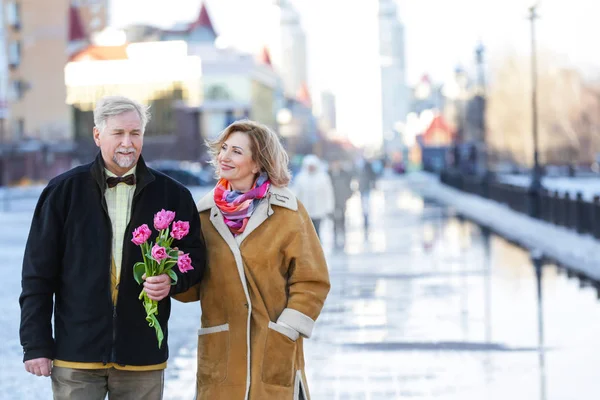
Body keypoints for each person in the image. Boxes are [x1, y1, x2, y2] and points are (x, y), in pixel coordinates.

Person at [19, 95, 206, 400]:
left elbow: (195, 259)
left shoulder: (174, 195)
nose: (127, 143)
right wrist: (35, 344)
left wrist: (172, 280)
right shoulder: (63, 192)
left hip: (143, 355)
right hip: (75, 355)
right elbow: (37, 274)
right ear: (97, 135)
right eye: (118, 133)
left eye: (135, 133)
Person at [173, 120, 330, 400]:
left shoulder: (288, 212)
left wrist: (286, 330)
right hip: (222, 351)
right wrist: (170, 270)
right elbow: (194, 288)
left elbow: (312, 280)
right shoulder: (204, 215)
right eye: (223, 148)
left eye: (236, 151)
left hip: (272, 347)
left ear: (258, 163)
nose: (224, 156)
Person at [292, 154, 335, 239]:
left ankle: (317, 249)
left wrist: (329, 208)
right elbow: (296, 194)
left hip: (319, 211)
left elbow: (328, 193)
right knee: (306, 233)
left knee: (317, 231)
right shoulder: (300, 178)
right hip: (305, 211)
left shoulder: (323, 178)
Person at [328, 159, 354, 248]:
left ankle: (342, 233)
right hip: (332, 199)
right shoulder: (328, 174)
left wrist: (347, 195)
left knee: (342, 217)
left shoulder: (344, 174)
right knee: (334, 218)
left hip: (342, 199)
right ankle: (335, 233)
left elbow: (349, 186)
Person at [358, 158, 377, 230]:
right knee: (364, 204)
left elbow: (373, 176)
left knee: (365, 204)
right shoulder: (361, 167)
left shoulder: (367, 167)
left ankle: (366, 218)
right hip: (363, 189)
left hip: (365, 188)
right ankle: (365, 218)